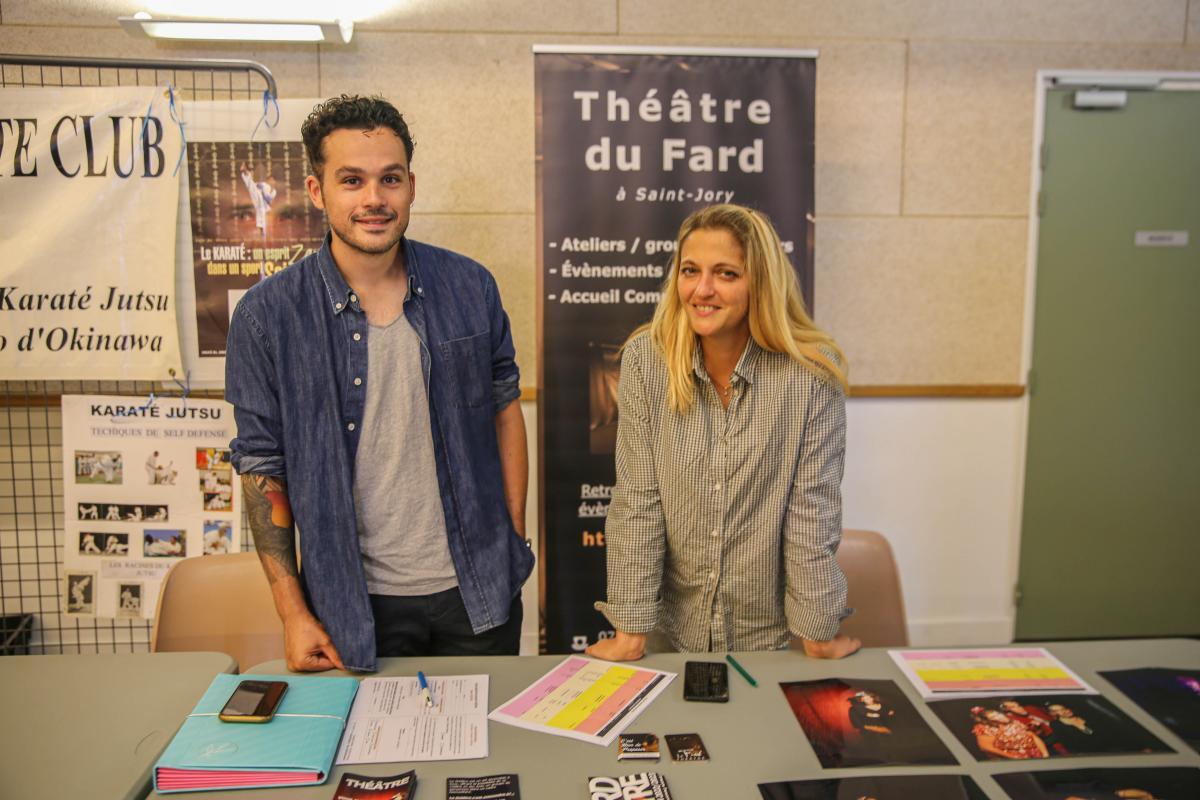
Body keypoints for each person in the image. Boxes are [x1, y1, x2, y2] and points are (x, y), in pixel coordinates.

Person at [226, 95, 532, 673]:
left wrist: (513, 538)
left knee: (482, 731)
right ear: (317, 191)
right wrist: (292, 613)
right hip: (351, 604)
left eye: (390, 179)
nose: (374, 199)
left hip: (479, 592)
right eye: (352, 180)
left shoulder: (471, 288)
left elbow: (503, 409)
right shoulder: (267, 316)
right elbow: (261, 468)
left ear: (410, 186)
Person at [588, 204, 859, 661]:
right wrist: (631, 629)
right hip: (669, 635)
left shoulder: (811, 376)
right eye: (690, 270)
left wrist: (817, 631)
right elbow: (638, 500)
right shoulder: (645, 361)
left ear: (760, 283)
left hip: (764, 640)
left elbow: (812, 511)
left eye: (726, 274)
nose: (702, 290)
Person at [969, 706, 1049, 760]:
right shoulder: (985, 728)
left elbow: (1032, 736)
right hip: (1016, 759)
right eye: (994, 717)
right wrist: (1013, 757)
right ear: (990, 720)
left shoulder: (1013, 721)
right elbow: (986, 747)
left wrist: (1045, 753)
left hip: (1036, 755)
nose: (1000, 716)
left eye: (998, 714)